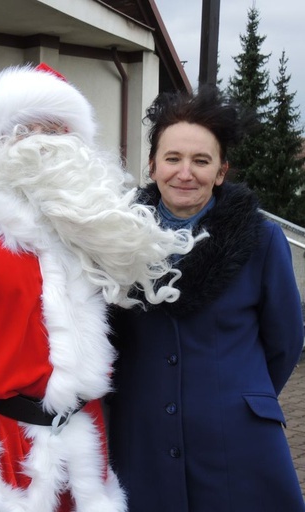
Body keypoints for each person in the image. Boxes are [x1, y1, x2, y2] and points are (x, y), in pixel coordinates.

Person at [0, 64, 196, 512]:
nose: (43, 141)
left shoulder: (92, 232)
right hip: (3, 451)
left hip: (83, 451)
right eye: (26, 129)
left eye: (57, 130)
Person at [107, 87, 305, 512]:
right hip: (141, 436)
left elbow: (284, 342)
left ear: (220, 172)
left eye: (201, 161)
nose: (185, 172)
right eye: (173, 158)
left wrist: (233, 396)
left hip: (238, 441)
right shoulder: (116, 240)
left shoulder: (262, 240)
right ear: (153, 165)